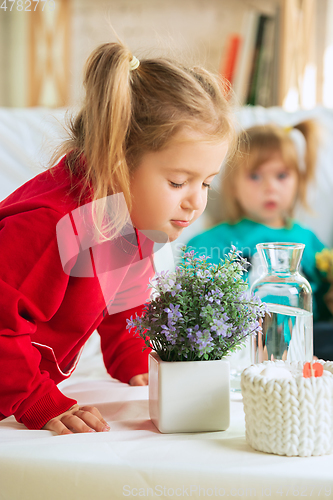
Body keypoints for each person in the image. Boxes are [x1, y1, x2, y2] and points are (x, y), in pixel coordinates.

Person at [0, 42, 234, 435]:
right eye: (178, 182)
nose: (197, 202)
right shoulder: (52, 225)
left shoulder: (128, 217)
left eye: (207, 183)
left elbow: (125, 304)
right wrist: (35, 399)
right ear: (117, 162)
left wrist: (138, 364)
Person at [187, 121, 331, 326]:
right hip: (242, 343)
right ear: (233, 184)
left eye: (281, 176)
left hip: (310, 344)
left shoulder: (308, 241)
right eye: (255, 176)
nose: (270, 187)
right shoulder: (215, 242)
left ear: (298, 181)